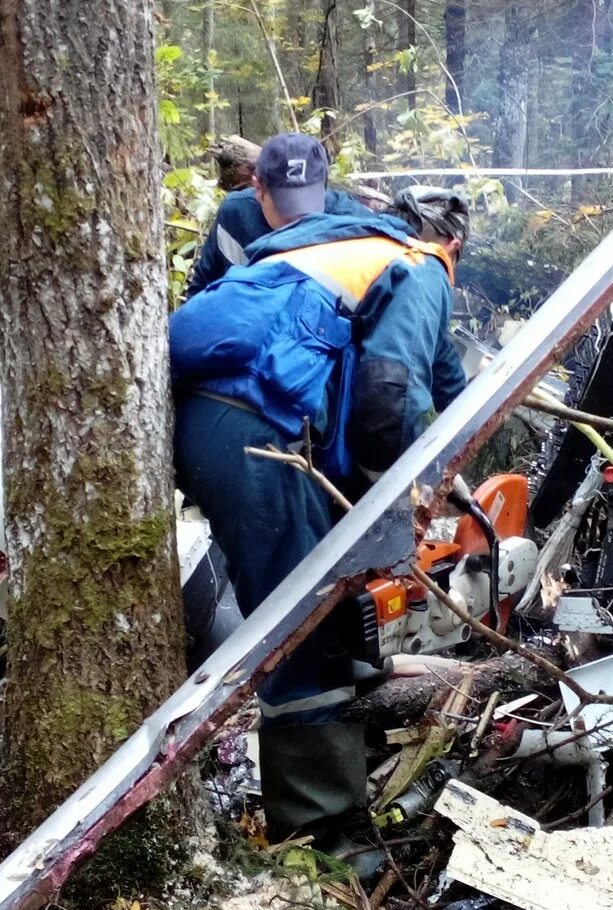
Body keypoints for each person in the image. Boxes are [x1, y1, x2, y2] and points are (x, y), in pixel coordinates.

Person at [172, 133, 469, 852]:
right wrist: (386, 507)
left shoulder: (329, 251)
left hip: (213, 424)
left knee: (322, 609)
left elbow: (447, 385)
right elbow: (391, 392)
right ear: (453, 246)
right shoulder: (419, 264)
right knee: (299, 636)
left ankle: (354, 682)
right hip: (257, 438)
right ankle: (327, 845)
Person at [185, 136, 376, 297]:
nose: (299, 218)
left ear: (323, 186)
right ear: (258, 189)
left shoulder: (354, 223)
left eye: (308, 202)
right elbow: (201, 293)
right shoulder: (235, 216)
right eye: (288, 206)